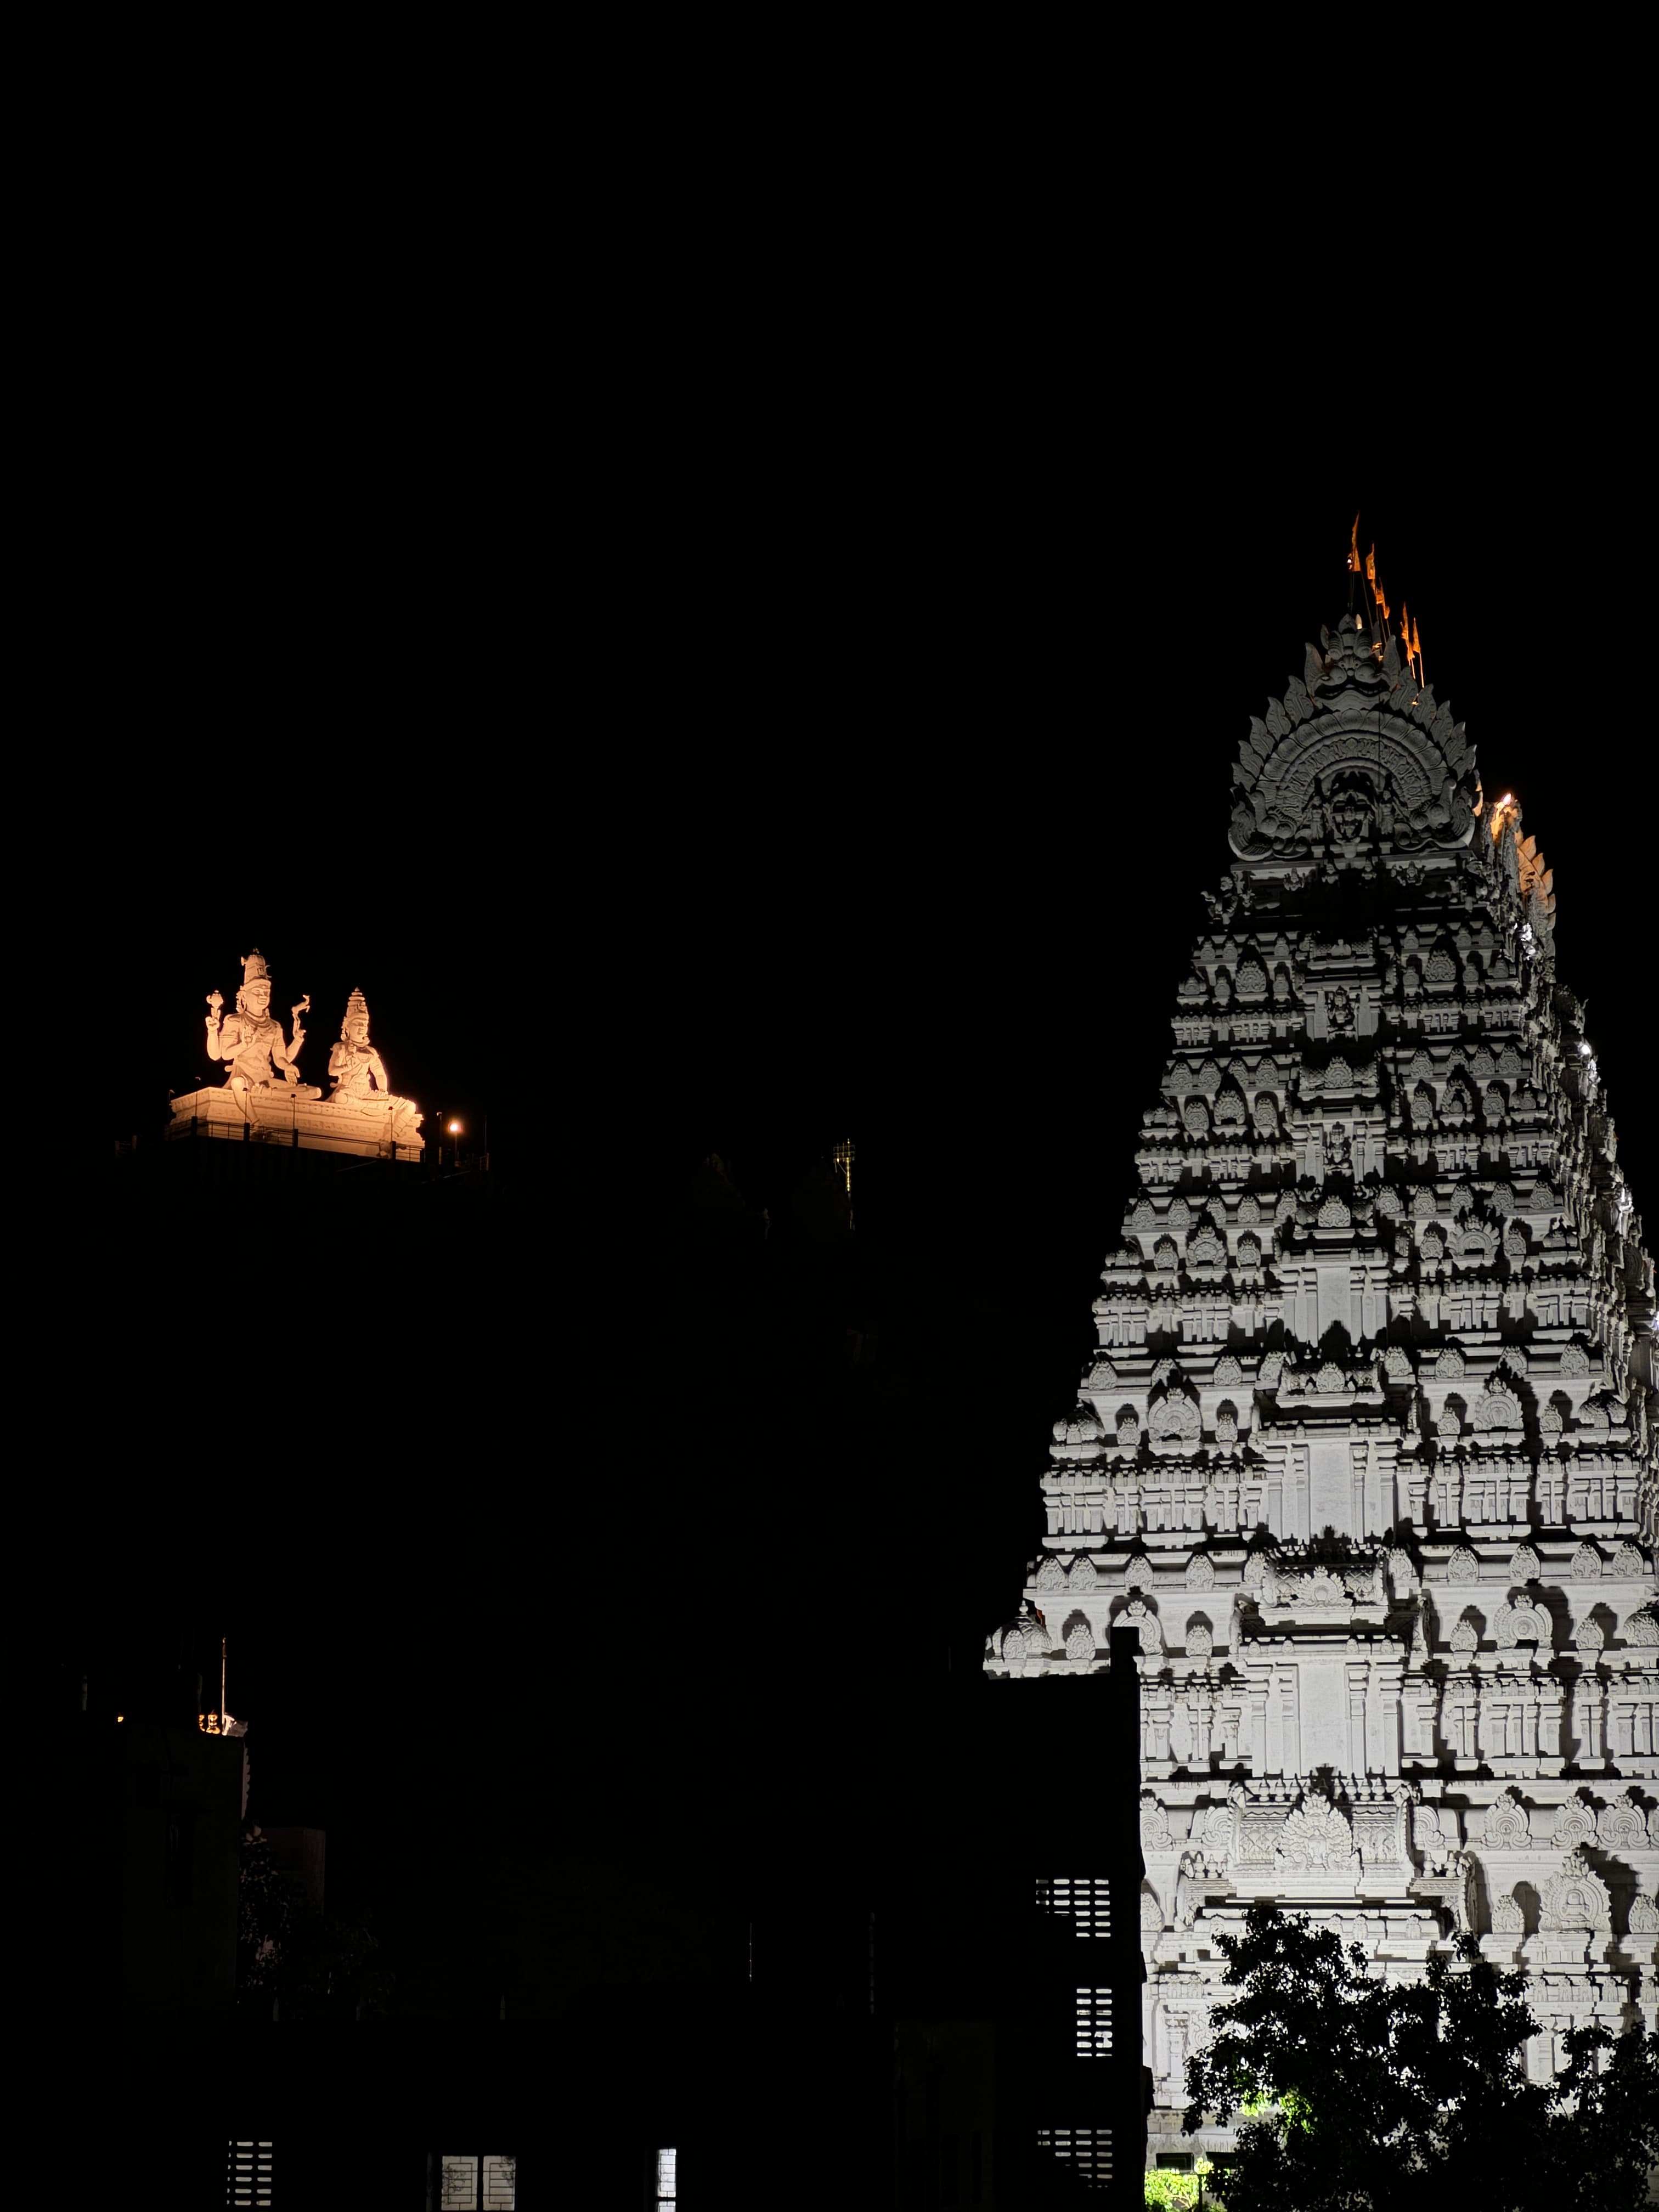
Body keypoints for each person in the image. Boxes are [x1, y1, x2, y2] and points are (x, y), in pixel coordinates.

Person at [206, 949, 313, 1092]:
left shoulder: (275, 1026)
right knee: (239, 1084)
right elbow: (224, 1055)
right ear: (244, 995)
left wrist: (288, 1065)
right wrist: (240, 1043)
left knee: (312, 1091)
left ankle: (266, 1094)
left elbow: (280, 1058)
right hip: (242, 1077)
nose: (263, 996)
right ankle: (263, 1094)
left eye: (266, 993)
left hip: (266, 1080)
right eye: (257, 992)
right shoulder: (235, 1020)